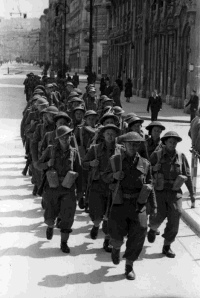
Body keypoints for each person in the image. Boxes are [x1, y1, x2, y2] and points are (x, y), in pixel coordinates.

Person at [102, 131, 157, 280]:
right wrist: (113, 176)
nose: (133, 146)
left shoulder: (145, 164)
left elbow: (150, 184)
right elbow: (104, 177)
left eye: (136, 144)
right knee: (116, 233)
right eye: (130, 144)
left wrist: (154, 206)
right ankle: (116, 247)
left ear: (139, 146)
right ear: (124, 145)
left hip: (138, 204)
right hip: (119, 203)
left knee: (140, 231)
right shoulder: (115, 160)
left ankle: (129, 265)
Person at [148, 131, 195, 259]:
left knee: (176, 215)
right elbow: (145, 172)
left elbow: (187, 175)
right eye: (170, 142)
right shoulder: (156, 155)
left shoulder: (181, 156)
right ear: (165, 142)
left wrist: (191, 193)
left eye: (175, 142)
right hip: (159, 191)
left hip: (175, 192)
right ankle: (152, 228)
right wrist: (153, 169)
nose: (172, 144)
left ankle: (167, 246)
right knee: (158, 215)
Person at [36, 125, 82, 253]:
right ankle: (50, 226)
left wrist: (80, 192)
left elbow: (79, 172)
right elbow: (38, 165)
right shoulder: (50, 150)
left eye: (67, 136)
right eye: (62, 137)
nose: (65, 139)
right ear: (58, 138)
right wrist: (47, 164)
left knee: (68, 216)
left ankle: (64, 243)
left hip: (69, 188)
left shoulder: (74, 152)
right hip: (53, 188)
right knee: (50, 215)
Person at [83, 124, 121, 253]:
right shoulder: (94, 149)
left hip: (112, 187)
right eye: (108, 134)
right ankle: (95, 225)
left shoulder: (121, 150)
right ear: (103, 135)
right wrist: (91, 163)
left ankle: (107, 240)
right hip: (97, 185)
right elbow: (83, 163)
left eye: (113, 134)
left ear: (116, 136)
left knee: (111, 215)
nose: (110, 136)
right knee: (97, 214)